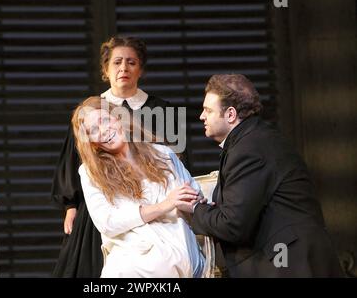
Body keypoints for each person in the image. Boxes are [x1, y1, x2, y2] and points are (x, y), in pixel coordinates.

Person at [178, 74, 344, 277]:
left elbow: (234, 225)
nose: (202, 117)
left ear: (230, 114)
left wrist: (194, 209)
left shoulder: (248, 149)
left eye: (208, 110)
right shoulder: (254, 139)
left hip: (290, 264)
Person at [51, 36, 186, 277]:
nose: (124, 68)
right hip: (105, 205)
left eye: (131, 62)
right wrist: (70, 205)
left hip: (156, 207)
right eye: (117, 62)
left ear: (140, 69)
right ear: (105, 69)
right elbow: (74, 159)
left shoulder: (163, 110)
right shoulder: (90, 111)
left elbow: (177, 161)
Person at [70, 96, 205, 277]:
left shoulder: (163, 154)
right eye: (94, 130)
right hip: (130, 257)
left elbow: (193, 197)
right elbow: (107, 222)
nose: (103, 130)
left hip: (176, 249)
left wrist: (190, 203)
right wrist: (164, 206)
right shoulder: (90, 173)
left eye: (105, 120)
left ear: (118, 118)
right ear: (91, 142)